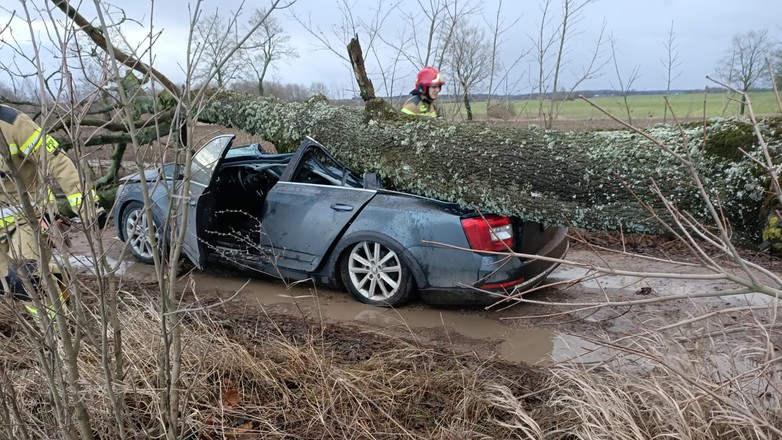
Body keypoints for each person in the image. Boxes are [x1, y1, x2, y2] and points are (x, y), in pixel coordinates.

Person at [0, 104, 105, 320]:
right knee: (7, 284)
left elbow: (57, 161)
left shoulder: (12, 123)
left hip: (28, 218)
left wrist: (88, 208)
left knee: (27, 280)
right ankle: (56, 276)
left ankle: (58, 335)